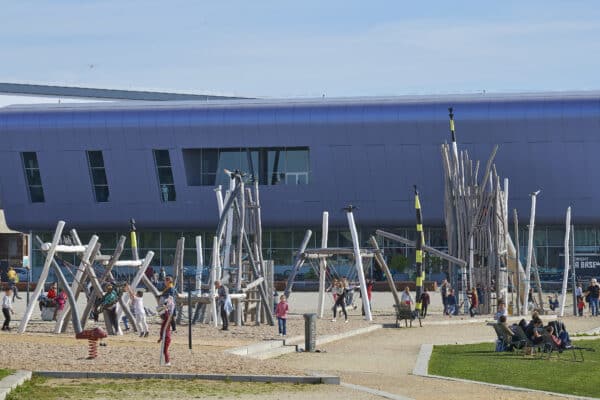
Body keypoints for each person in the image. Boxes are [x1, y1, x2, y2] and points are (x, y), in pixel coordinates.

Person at [157, 297, 173, 366]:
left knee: (165, 350)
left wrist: (166, 308)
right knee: (164, 350)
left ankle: (168, 362)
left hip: (167, 338)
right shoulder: (164, 322)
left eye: (161, 316)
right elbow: (162, 331)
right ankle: (166, 362)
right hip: (164, 337)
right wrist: (160, 338)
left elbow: (167, 316)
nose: (161, 317)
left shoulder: (166, 321)